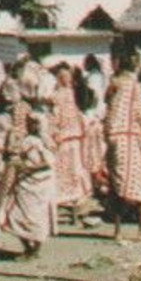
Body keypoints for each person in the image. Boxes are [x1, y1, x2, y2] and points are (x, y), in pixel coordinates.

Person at [105, 53, 141, 238]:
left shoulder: (114, 86)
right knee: (140, 181)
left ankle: (117, 230)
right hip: (131, 138)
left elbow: (108, 113)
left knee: (117, 183)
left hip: (115, 139)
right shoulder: (135, 88)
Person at [2, 112, 57, 257]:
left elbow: (48, 163)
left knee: (36, 217)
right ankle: (29, 248)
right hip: (26, 183)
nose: (29, 125)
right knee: (16, 215)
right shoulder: (27, 140)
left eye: (32, 123)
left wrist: (28, 168)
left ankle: (34, 250)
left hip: (38, 183)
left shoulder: (43, 142)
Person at [50, 65, 91, 214]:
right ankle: (76, 200)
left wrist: (53, 134)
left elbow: (55, 118)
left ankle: (64, 199)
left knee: (63, 168)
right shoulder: (74, 94)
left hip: (64, 137)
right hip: (76, 136)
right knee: (76, 168)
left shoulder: (57, 96)